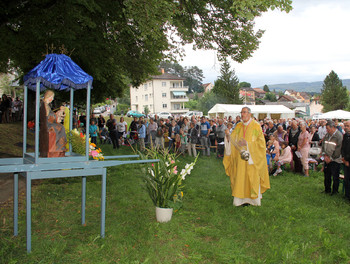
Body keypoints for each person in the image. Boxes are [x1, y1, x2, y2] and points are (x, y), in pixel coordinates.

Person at [223, 107, 270, 206]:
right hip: (240, 160)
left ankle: (253, 201)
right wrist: (228, 136)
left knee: (251, 179)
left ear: (249, 114)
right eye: (241, 112)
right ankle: (240, 200)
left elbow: (261, 144)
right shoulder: (239, 126)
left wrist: (247, 144)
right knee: (240, 179)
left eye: (244, 112)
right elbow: (233, 140)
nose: (242, 114)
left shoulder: (256, 126)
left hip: (252, 160)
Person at [39, 90, 67, 157]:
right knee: (61, 127)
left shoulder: (45, 105)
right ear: (49, 97)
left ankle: (59, 148)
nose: (52, 99)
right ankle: (58, 149)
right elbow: (49, 117)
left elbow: (51, 116)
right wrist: (58, 114)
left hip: (48, 124)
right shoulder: (44, 105)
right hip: (48, 125)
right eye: (52, 97)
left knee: (60, 126)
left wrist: (58, 113)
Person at [321, 121, 343, 195]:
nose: (327, 130)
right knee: (327, 175)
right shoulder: (327, 135)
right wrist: (325, 155)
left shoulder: (339, 136)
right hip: (327, 158)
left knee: (335, 176)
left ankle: (335, 191)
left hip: (335, 160)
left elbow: (338, 149)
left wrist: (331, 158)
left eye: (328, 129)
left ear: (333, 127)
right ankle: (327, 189)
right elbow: (324, 145)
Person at [341, 120, 350, 201]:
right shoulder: (345, 135)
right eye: (345, 126)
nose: (346, 128)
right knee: (346, 179)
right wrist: (343, 157)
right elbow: (343, 148)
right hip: (346, 160)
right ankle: (347, 195)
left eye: (347, 126)